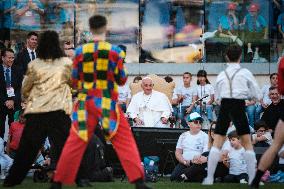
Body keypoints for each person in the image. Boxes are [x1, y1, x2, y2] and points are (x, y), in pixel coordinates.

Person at [51, 15, 150, 189]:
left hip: (85, 101)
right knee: (124, 140)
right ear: (105, 29)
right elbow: (121, 80)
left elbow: (73, 80)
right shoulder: (115, 52)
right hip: (105, 102)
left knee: (74, 142)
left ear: (90, 29)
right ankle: (139, 181)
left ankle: (57, 182)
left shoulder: (80, 52)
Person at [3, 30, 73, 187]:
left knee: (26, 151)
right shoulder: (66, 63)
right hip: (58, 111)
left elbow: (26, 89)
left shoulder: (35, 64)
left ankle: (12, 180)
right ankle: (62, 179)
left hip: (38, 112)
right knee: (64, 148)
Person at [202, 44, 261, 185]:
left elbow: (216, 98)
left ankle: (209, 178)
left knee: (216, 143)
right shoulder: (245, 73)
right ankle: (252, 179)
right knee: (247, 143)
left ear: (227, 57)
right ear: (240, 56)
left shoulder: (222, 74)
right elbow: (257, 94)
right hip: (238, 104)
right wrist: (248, 99)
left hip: (225, 105)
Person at [250, 48, 284, 189]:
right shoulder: (269, 109)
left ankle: (257, 180)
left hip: (273, 135)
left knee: (277, 146)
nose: (274, 96)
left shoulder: (282, 62)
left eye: (276, 94)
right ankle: (258, 178)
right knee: (276, 145)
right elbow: (263, 124)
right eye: (272, 94)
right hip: (271, 134)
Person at [170, 112, 208, 181]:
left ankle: (186, 176)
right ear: (189, 123)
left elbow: (205, 154)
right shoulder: (183, 135)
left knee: (180, 176)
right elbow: (178, 152)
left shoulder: (205, 136)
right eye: (196, 122)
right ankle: (188, 176)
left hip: (198, 164)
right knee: (173, 177)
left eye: (200, 122)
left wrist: (196, 161)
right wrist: (184, 161)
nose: (199, 124)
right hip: (184, 163)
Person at [0, 48, 22, 140]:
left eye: (13, 58)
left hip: (14, 104)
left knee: (14, 128)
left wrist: (13, 100)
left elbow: (19, 88)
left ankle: (11, 149)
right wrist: (5, 101)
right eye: (9, 58)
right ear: (2, 58)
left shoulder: (17, 69)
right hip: (1, 104)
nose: (11, 60)